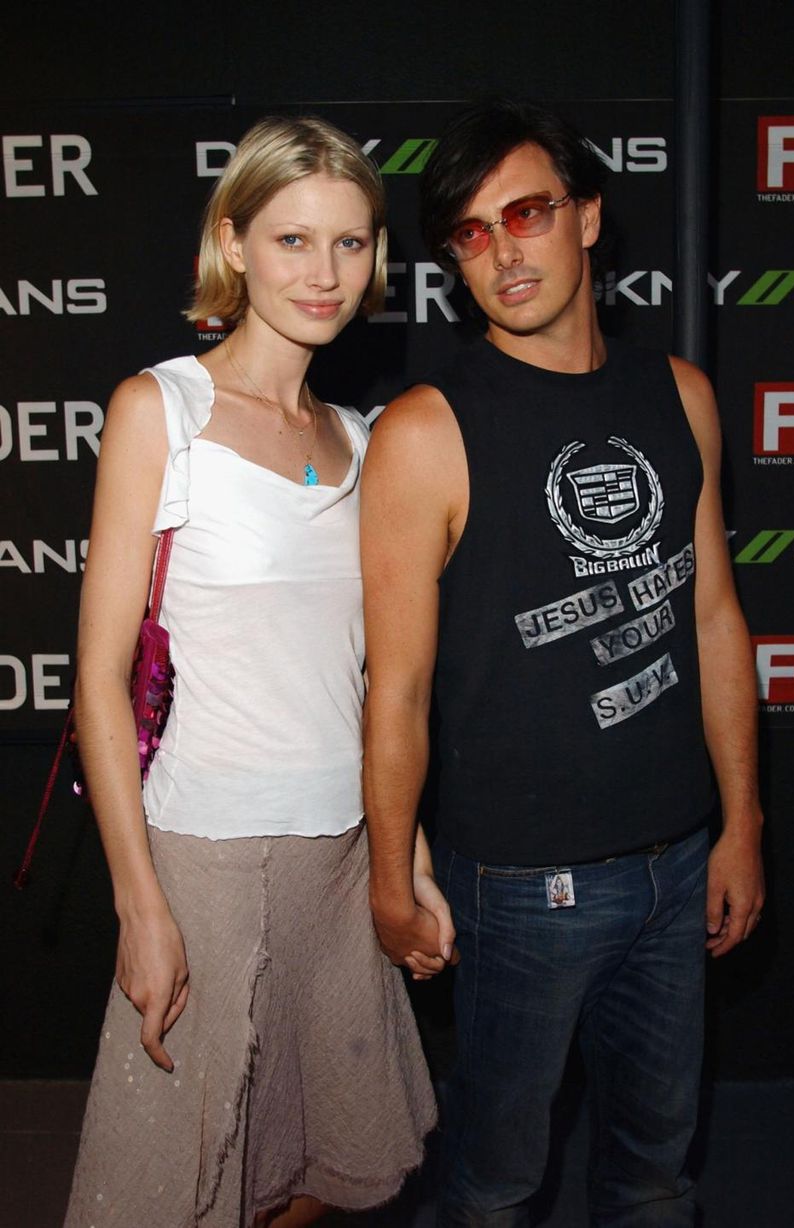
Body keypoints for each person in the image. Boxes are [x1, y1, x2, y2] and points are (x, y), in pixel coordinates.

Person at [360, 98, 765, 1227]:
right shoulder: (424, 431)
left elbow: (713, 617)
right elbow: (395, 689)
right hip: (519, 889)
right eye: (470, 233)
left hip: (678, 861)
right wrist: (390, 879)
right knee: (494, 1188)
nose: (502, 251)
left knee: (655, 1176)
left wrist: (740, 822)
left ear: (586, 217)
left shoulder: (680, 395)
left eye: (526, 213)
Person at [64, 115, 450, 1228]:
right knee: (175, 1186)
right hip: (207, 861)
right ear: (232, 244)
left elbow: (374, 682)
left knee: (318, 1166)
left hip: (344, 858)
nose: (324, 273)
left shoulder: (365, 441)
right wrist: (141, 906)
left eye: (349, 242)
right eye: (292, 240)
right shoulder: (161, 411)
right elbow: (97, 681)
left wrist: (409, 856)